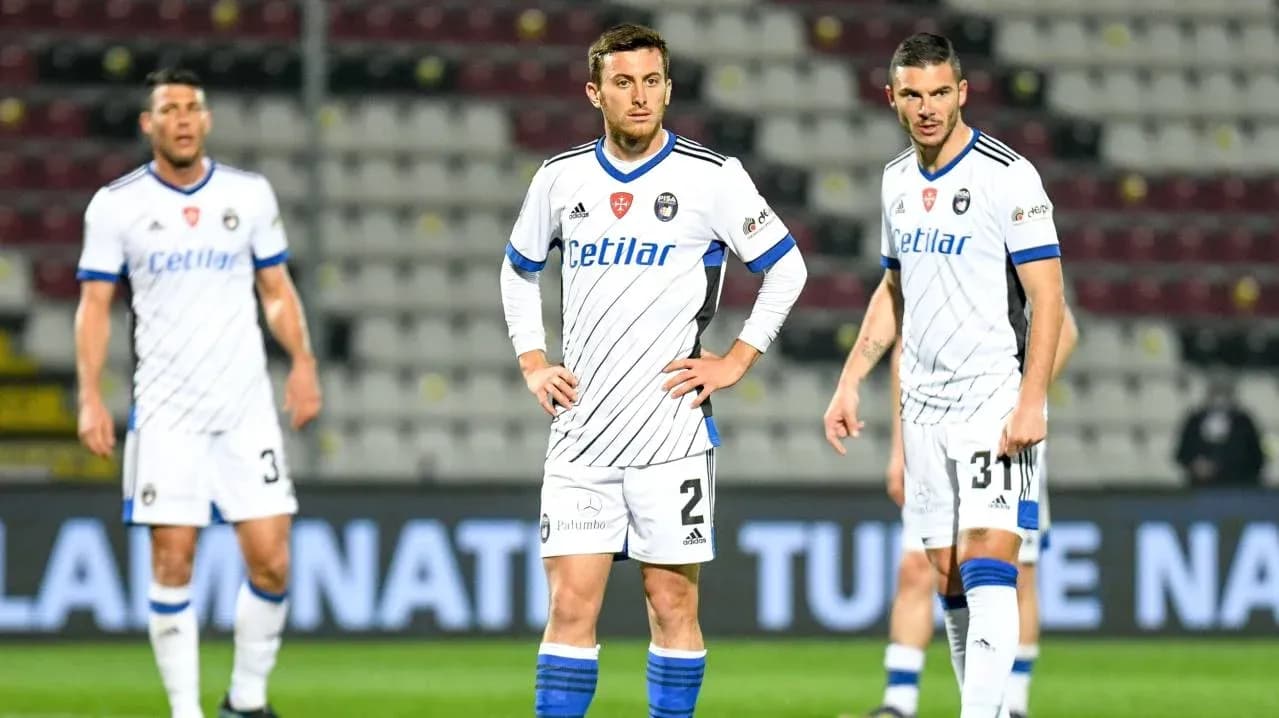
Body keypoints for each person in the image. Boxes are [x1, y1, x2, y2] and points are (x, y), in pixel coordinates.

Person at [500, 23, 807, 718]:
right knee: (569, 605)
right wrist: (531, 358)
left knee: (671, 604)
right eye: (621, 82)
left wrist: (737, 357)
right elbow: (517, 270)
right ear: (593, 92)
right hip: (581, 436)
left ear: (668, 87)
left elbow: (786, 267)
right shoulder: (560, 178)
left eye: (650, 81)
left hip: (671, 437)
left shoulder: (712, 177)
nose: (638, 96)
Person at [823, 33, 1066, 718]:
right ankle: (980, 706)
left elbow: (1047, 296)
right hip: (921, 408)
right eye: (912, 95)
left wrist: (1031, 400)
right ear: (892, 99)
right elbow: (892, 288)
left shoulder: (1007, 175)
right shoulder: (896, 180)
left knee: (992, 561)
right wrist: (849, 379)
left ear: (961, 92)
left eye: (938, 93)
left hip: (992, 398)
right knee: (948, 576)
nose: (926, 108)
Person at [74, 68, 321, 718]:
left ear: (205, 120)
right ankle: (185, 713)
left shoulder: (249, 194)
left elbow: (276, 290)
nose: (181, 118)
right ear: (148, 124)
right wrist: (89, 397)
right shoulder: (117, 204)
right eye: (168, 109)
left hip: (244, 410)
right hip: (166, 413)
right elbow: (94, 305)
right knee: (173, 558)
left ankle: (246, 700)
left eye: (191, 107)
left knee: (272, 563)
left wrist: (302, 362)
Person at [855, 307, 1078, 718]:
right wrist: (900, 449)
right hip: (933, 433)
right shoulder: (927, 259)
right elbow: (904, 349)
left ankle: (1013, 702)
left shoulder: (1007, 250)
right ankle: (899, 702)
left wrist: (1025, 400)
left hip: (1000, 434)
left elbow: (1064, 329)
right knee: (918, 568)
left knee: (1016, 573)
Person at [1174, 376, 1265, 486]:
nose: (1220, 398)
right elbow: (1182, 454)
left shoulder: (1243, 422)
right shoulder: (1195, 420)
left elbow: (1256, 459)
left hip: (1237, 489)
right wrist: (1195, 466)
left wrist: (1225, 468)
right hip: (1200, 489)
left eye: (1224, 392)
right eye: (1216, 391)